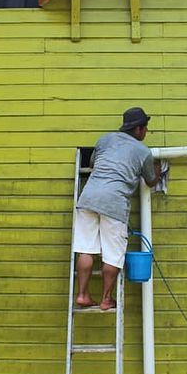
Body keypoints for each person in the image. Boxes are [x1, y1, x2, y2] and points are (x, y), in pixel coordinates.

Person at [73, 107, 161, 310]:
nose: (146, 132)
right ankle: (106, 299)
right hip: (114, 203)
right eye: (146, 127)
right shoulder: (143, 152)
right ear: (139, 129)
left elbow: (94, 164)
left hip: (88, 197)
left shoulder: (104, 140)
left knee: (85, 249)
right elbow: (150, 182)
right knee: (112, 255)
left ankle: (83, 295)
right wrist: (157, 170)